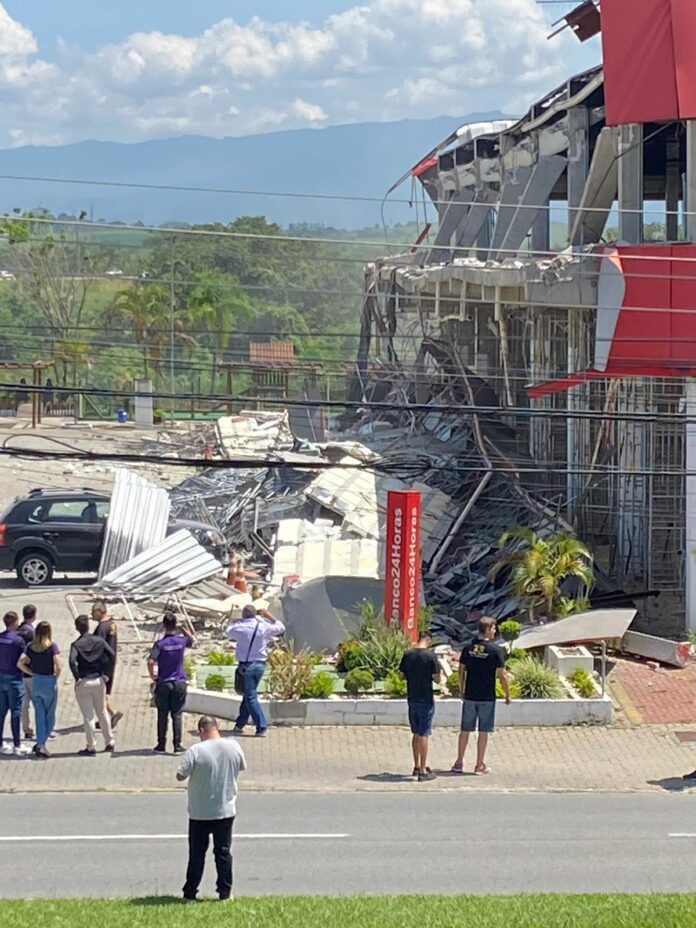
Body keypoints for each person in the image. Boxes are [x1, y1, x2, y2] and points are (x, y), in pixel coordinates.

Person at [177, 715, 246, 902]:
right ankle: (225, 893)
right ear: (217, 727)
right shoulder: (234, 746)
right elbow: (241, 767)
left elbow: (180, 775)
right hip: (225, 809)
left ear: (201, 731)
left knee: (197, 854)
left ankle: (190, 893)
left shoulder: (196, 750)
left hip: (200, 812)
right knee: (223, 852)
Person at [451, 616, 510, 776]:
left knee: (465, 729)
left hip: (470, 695)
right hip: (487, 697)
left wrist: (461, 688)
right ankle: (479, 765)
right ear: (488, 629)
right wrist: (507, 694)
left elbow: (461, 670)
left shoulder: (468, 648)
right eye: (494, 628)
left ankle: (459, 762)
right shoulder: (495, 651)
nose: (495, 631)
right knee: (483, 731)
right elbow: (502, 675)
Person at [226, 604, 285, 737]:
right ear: (255, 614)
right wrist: (268, 615)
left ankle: (261, 726)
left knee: (251, 696)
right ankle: (240, 724)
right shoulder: (262, 626)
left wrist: (234, 621)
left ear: (243, 615)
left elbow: (228, 630)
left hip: (246, 666)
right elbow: (281, 627)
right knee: (248, 695)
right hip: (260, 665)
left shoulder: (240, 627)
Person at [147, 612, 195, 755]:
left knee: (162, 714)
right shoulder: (181, 641)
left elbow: (150, 661)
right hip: (179, 681)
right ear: (175, 624)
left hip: (164, 682)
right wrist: (182, 627)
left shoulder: (160, 644)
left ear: (163, 625)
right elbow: (192, 639)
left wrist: (152, 676)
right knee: (177, 714)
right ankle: (177, 745)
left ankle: (161, 745)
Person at [69, 613, 115, 755]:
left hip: (84, 681)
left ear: (77, 628)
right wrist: (106, 672)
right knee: (102, 712)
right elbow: (111, 654)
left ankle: (91, 746)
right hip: (98, 680)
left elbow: (72, 661)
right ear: (88, 626)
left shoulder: (76, 644)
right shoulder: (98, 641)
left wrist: (77, 677)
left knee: (88, 716)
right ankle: (110, 741)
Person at [399, 630, 441, 782]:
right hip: (426, 698)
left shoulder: (408, 654)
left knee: (416, 733)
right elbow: (437, 679)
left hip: (412, 697)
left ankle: (416, 765)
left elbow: (401, 675)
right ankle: (423, 770)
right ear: (428, 640)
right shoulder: (431, 656)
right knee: (424, 733)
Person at [17, 621, 61, 758]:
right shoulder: (52, 646)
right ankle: (41, 744)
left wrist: (31, 672)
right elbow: (58, 665)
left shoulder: (31, 646)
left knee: (39, 714)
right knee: (50, 715)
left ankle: (40, 742)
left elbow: (19, 663)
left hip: (36, 681)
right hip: (48, 680)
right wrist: (55, 677)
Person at [0, 612, 30, 755]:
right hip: (15, 679)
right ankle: (17, 744)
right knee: (15, 712)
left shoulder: (0, 638)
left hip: (1, 677)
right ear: (15, 622)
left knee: (1, 712)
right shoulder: (18, 641)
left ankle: (0, 743)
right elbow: (24, 658)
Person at [92, 601, 123, 728]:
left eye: (94, 612)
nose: (92, 615)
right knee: (101, 693)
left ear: (101, 612)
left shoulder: (102, 628)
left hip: (103, 665)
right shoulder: (112, 624)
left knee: (99, 694)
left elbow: (98, 647)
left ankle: (112, 713)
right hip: (110, 663)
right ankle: (107, 716)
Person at [16, 604, 36, 741]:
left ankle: (27, 730)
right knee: (39, 703)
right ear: (34, 615)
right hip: (32, 672)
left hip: (19, 673)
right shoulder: (32, 632)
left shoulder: (18, 630)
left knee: (24, 704)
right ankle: (42, 729)